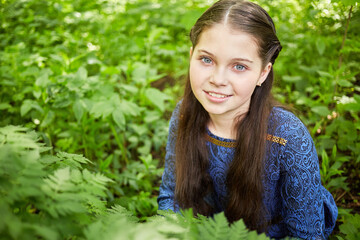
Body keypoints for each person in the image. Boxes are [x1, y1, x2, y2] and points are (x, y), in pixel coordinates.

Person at [157, 0, 338, 239]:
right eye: (207, 60)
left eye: (239, 66)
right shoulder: (184, 114)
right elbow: (172, 196)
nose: (218, 79)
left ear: (263, 72)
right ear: (191, 56)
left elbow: (306, 235)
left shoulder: (286, 136)